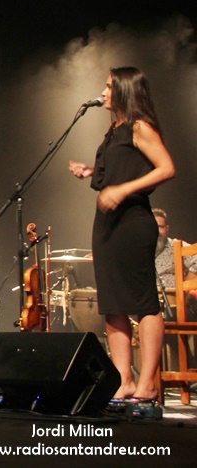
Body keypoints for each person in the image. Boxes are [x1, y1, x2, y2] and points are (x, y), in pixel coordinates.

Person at [69, 67, 175, 402]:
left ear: (126, 91)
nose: (103, 92)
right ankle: (123, 380)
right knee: (112, 303)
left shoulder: (139, 126)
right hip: (107, 223)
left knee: (143, 302)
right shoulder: (113, 131)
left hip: (133, 222)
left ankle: (148, 383)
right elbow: (118, 173)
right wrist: (91, 172)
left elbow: (166, 168)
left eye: (109, 86)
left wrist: (124, 189)